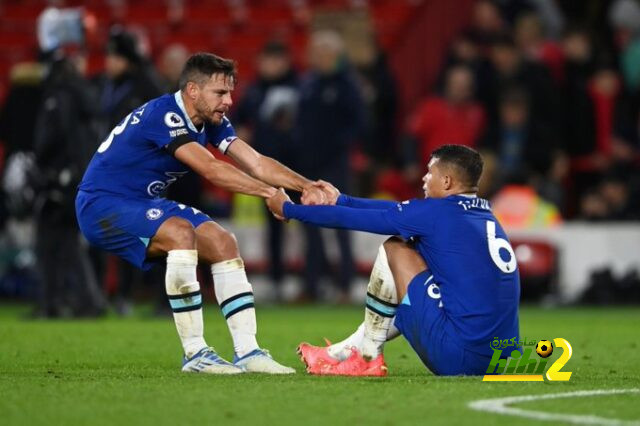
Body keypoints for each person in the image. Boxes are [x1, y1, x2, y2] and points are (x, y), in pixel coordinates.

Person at [75, 52, 331, 375]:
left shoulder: (210, 121)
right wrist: (268, 193)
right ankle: (195, 354)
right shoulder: (164, 115)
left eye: (231, 92)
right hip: (102, 204)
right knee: (181, 233)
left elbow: (256, 162)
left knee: (223, 242)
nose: (228, 101)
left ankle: (248, 351)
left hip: (141, 200)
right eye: (220, 93)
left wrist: (306, 186)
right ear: (193, 91)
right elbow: (210, 169)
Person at [267, 145, 521, 376]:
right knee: (400, 294)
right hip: (505, 359)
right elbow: (393, 209)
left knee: (396, 249)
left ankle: (368, 356)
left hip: (461, 359)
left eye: (430, 172)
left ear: (446, 181)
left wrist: (290, 210)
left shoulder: (434, 213)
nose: (424, 177)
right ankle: (337, 354)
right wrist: (341, 199)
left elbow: (355, 220)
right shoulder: (485, 216)